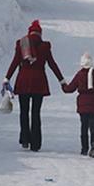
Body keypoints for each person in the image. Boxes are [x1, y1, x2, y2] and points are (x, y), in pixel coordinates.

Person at [4, 20, 66, 152]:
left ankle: (25, 139)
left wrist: (7, 78)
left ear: (29, 32)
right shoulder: (45, 46)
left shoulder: (22, 43)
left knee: (24, 112)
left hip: (23, 81)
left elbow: (15, 62)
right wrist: (62, 81)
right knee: (36, 113)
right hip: (39, 82)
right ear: (40, 34)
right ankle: (35, 144)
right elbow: (52, 64)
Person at [62, 52, 94, 157]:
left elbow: (70, 88)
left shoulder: (80, 74)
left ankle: (84, 148)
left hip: (82, 105)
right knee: (93, 127)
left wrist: (63, 86)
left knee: (84, 127)